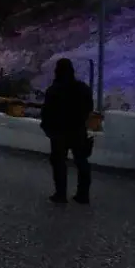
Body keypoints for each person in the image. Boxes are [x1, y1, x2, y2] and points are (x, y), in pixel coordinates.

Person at [39, 58, 94, 204]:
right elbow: (89, 107)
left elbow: (47, 112)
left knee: (59, 163)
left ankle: (61, 194)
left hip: (59, 131)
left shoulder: (54, 90)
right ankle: (83, 194)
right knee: (81, 161)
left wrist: (47, 128)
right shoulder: (82, 88)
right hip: (78, 130)